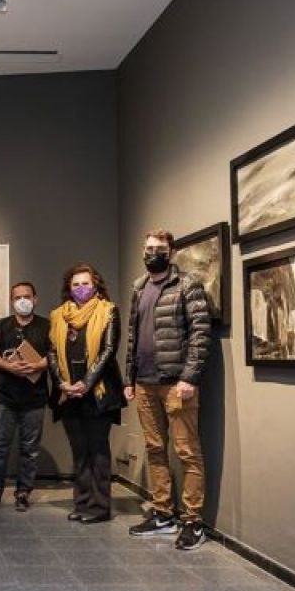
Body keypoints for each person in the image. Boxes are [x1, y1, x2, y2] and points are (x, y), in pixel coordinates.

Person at [123, 229, 211, 550]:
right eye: (148, 249)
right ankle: (163, 513)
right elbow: (133, 336)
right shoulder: (139, 287)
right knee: (155, 449)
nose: (153, 254)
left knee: (187, 451)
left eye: (159, 249)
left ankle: (193, 521)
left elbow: (200, 333)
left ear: (171, 253)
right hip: (145, 383)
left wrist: (189, 377)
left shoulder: (187, 285)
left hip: (177, 383)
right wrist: (129, 378)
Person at [49, 264, 126, 524]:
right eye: (75, 284)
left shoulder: (109, 311)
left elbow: (108, 350)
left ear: (95, 286)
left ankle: (100, 507)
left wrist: (86, 382)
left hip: (98, 393)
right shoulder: (58, 316)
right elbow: (51, 352)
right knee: (79, 451)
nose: (80, 288)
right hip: (67, 394)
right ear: (68, 288)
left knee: (98, 450)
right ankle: (82, 502)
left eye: (85, 283)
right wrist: (62, 383)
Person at [0, 282, 51, 513]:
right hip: (5, 398)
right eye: (18, 297)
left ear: (35, 299)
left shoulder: (46, 326)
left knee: (30, 449)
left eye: (27, 296)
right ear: (12, 301)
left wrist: (36, 366)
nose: (23, 301)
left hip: (35, 398)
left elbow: (54, 355)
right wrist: (8, 366)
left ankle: (23, 492)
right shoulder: (2, 325)